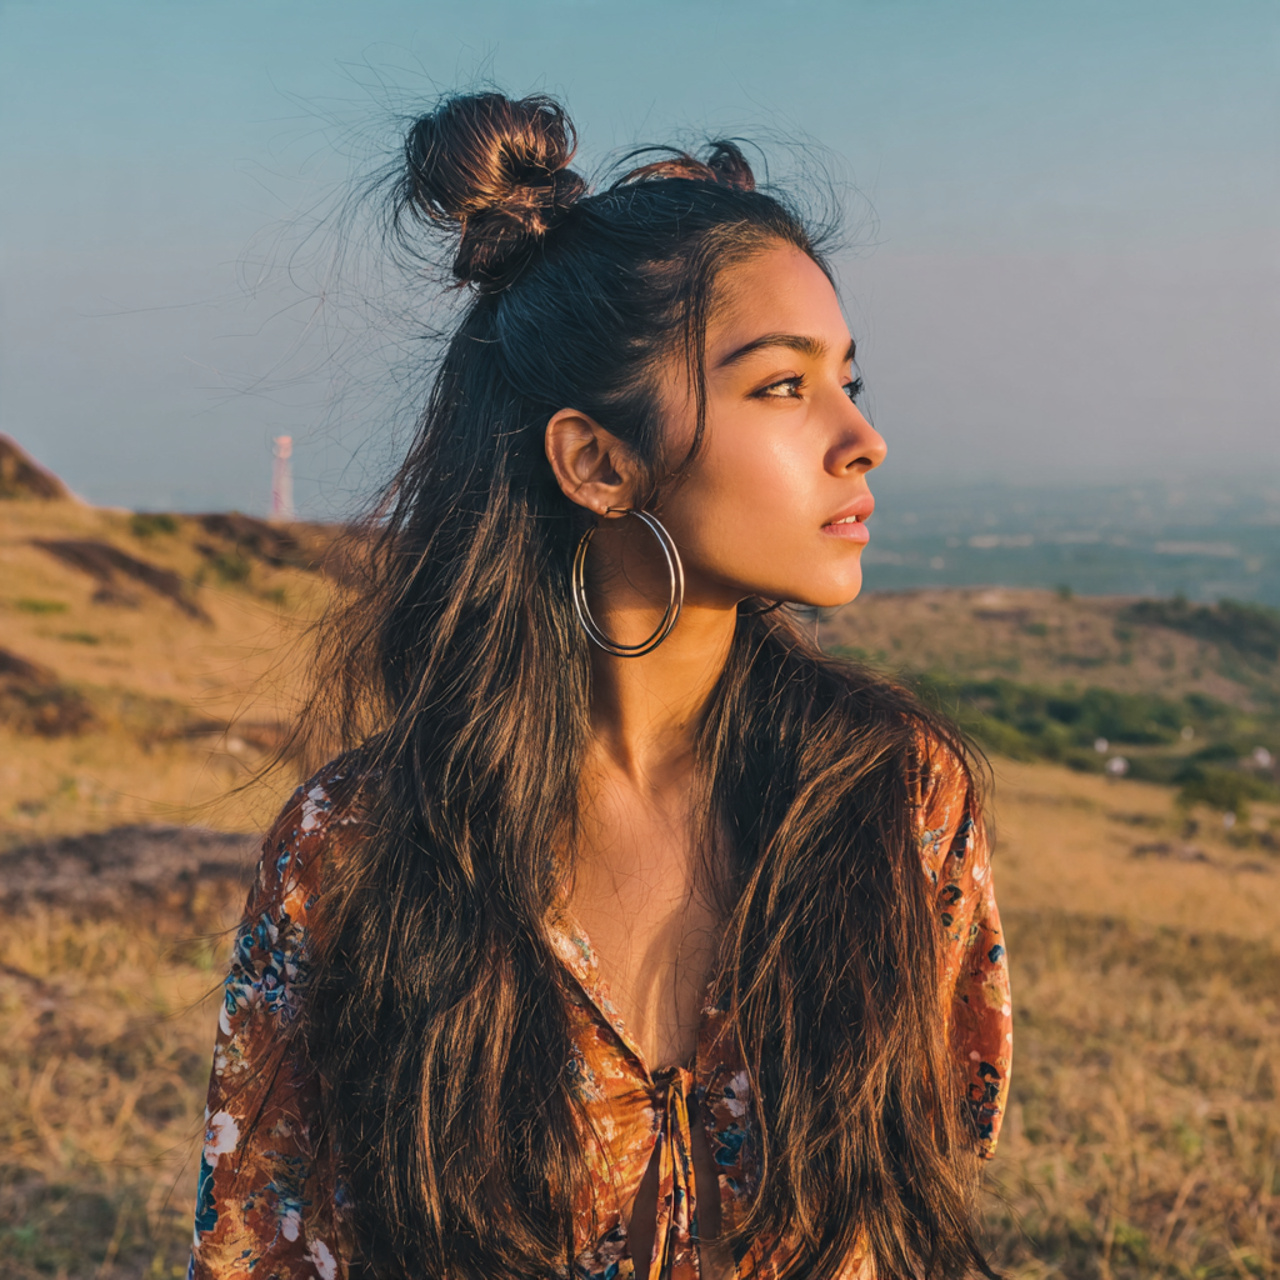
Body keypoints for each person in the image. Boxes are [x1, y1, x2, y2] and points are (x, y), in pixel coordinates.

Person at [188, 91, 1012, 1280]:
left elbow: (922, 1206)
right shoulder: (360, 843)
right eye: (781, 386)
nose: (859, 436)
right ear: (594, 459)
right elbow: (267, 1243)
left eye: (849, 378)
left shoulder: (893, 798)